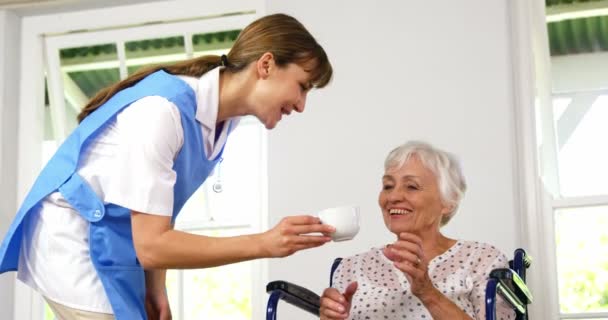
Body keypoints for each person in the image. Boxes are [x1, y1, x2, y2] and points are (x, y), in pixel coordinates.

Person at [0, 13, 334, 320]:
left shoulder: (221, 122)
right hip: (71, 240)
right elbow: (151, 244)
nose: (302, 105)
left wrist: (156, 287)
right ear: (266, 65)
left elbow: (160, 207)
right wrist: (263, 243)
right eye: (302, 86)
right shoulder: (162, 112)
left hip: (117, 243)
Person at [319, 141, 515, 320]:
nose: (393, 196)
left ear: (449, 201)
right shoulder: (350, 268)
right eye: (388, 186)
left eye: (411, 187)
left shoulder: (482, 259)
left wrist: (428, 293)